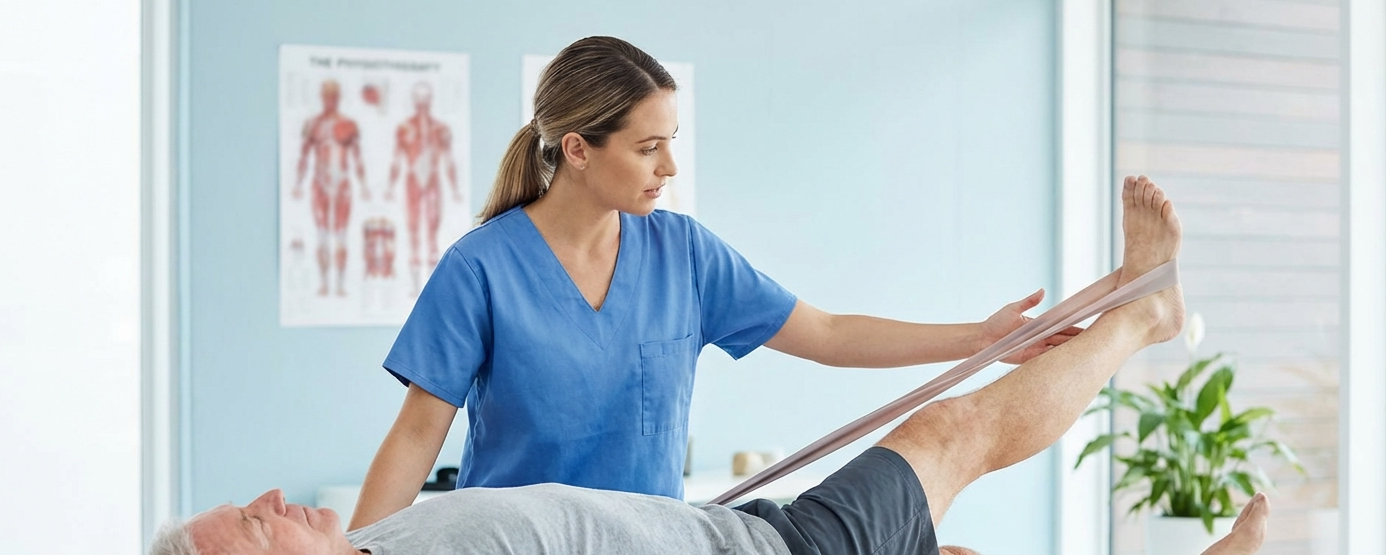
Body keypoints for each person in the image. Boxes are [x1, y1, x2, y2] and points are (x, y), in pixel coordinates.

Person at [142, 178, 1268, 555]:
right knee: (954, 432)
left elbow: (823, 330)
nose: (272, 498)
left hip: (744, 553)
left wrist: (976, 333)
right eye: (254, 523)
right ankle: (1144, 315)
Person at [349, 36, 1081, 529]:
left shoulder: (685, 254)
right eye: (648, 147)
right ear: (577, 149)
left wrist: (981, 339)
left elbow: (827, 334)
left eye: (671, 143)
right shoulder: (480, 268)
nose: (669, 167)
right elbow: (416, 435)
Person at [292, 79, 370, 298]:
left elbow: (357, 156)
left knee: (341, 235)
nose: (331, 100)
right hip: (320, 183)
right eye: (327, 95)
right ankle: (325, 284)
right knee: (322, 236)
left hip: (342, 184)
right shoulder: (313, 125)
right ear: (322, 97)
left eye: (334, 95)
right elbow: (304, 156)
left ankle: (341, 284)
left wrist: (364, 185)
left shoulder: (348, 125)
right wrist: (298, 184)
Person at [385, 82, 462, 295]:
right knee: (413, 231)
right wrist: (390, 186)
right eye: (418, 100)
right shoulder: (405, 129)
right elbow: (397, 159)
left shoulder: (440, 130)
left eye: (425, 100)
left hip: (432, 182)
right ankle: (414, 287)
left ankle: (431, 288)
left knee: (432, 231)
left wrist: (454, 188)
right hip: (413, 181)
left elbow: (448, 160)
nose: (422, 105)